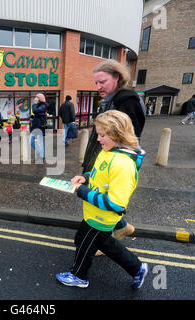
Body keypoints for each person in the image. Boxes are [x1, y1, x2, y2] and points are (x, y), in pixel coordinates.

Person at [56, 110, 148, 289]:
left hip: (102, 218)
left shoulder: (123, 164)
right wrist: (85, 178)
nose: (98, 139)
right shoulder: (108, 151)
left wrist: (81, 191)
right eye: (98, 134)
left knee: (84, 242)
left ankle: (79, 276)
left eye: (102, 135)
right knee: (103, 243)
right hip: (94, 213)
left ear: (117, 134)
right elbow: (100, 174)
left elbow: (116, 203)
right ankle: (137, 268)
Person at [81, 60, 146, 246]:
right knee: (99, 203)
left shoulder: (126, 102)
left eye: (102, 81)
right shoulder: (112, 100)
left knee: (104, 205)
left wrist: (104, 165)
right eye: (96, 83)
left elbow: (129, 138)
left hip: (111, 163)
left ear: (117, 78)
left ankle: (105, 245)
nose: (98, 87)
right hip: (102, 158)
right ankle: (121, 227)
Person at [30, 93, 48, 160]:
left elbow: (35, 110)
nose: (35, 99)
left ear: (40, 99)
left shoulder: (43, 105)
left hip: (40, 126)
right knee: (31, 141)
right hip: (35, 126)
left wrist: (34, 104)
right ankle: (38, 151)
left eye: (37, 98)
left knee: (40, 142)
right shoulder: (37, 105)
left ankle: (42, 156)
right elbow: (35, 112)